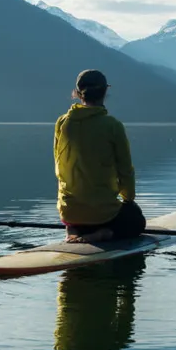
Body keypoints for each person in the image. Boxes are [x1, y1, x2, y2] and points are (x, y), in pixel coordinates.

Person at [54, 69, 146, 244]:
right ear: (105, 92)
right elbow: (125, 170)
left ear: (78, 93)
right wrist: (128, 199)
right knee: (135, 219)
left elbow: (59, 166)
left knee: (75, 207)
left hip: (69, 212)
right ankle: (103, 234)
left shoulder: (62, 123)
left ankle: (71, 230)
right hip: (103, 215)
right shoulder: (113, 126)